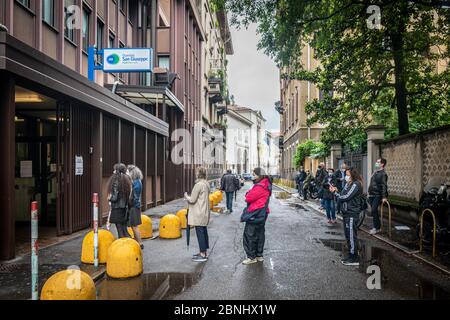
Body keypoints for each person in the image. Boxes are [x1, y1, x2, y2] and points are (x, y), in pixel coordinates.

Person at [330, 168, 364, 266]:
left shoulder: (356, 184)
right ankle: (350, 254)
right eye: (346, 174)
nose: (346, 176)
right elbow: (342, 194)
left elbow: (346, 197)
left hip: (352, 213)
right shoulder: (348, 184)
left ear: (353, 175)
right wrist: (336, 190)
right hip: (346, 212)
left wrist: (335, 193)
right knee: (348, 235)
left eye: (348, 174)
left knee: (352, 236)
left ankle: (354, 258)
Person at [242, 168, 272, 265]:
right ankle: (259, 255)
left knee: (250, 235)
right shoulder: (266, 184)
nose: (252, 176)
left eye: (254, 175)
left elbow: (248, 198)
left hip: (255, 213)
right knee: (260, 234)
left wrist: (248, 193)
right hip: (263, 212)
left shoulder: (260, 186)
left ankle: (251, 257)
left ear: (259, 176)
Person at [185, 167, 211, 262]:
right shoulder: (206, 184)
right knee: (203, 232)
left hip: (199, 212)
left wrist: (186, 196)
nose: (195, 173)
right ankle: (203, 252)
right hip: (204, 212)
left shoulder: (198, 185)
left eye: (196, 172)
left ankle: (202, 254)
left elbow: (192, 200)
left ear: (198, 174)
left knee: (200, 232)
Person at [107, 163, 132, 239]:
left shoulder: (116, 181)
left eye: (114, 169)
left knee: (120, 230)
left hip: (117, 208)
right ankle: (130, 245)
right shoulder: (127, 179)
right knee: (124, 229)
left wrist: (109, 198)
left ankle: (122, 247)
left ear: (117, 170)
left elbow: (114, 197)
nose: (113, 171)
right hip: (125, 207)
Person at [368, 158, 388, 235]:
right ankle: (377, 226)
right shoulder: (375, 172)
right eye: (376, 161)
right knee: (374, 212)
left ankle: (376, 228)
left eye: (378, 162)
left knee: (373, 210)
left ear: (382, 164)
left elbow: (384, 186)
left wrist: (384, 197)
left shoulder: (383, 174)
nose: (376, 163)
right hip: (371, 195)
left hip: (377, 195)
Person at [127, 164, 144, 249]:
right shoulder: (138, 181)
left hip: (134, 206)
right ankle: (137, 241)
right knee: (134, 225)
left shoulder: (135, 183)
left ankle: (140, 243)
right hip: (136, 206)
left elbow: (132, 195)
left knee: (134, 225)